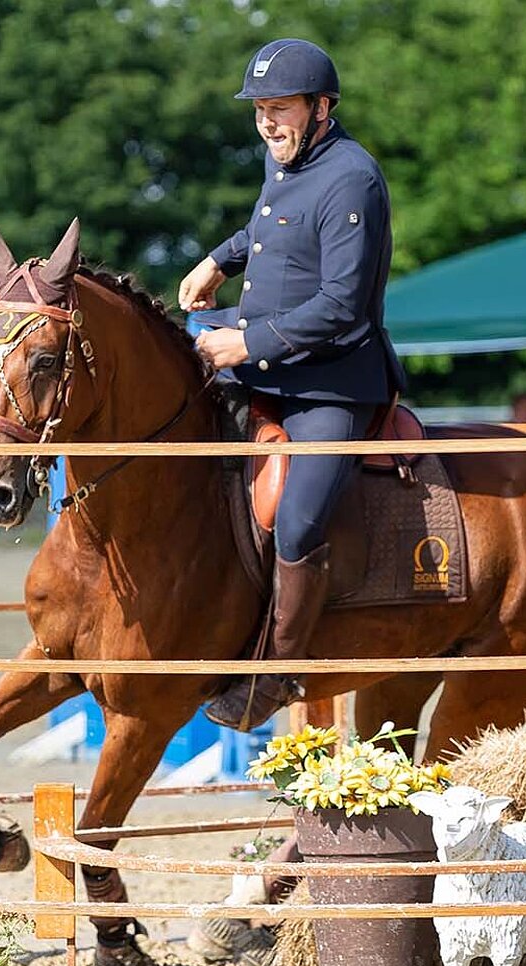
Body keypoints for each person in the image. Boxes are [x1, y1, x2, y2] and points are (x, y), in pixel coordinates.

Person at [178, 37, 403, 730]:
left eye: (279, 109)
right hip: (268, 354)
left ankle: (276, 672)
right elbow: (269, 231)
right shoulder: (287, 161)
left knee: (297, 521)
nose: (267, 122)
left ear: (321, 106)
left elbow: (340, 304)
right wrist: (220, 262)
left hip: (331, 383)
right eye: (259, 111)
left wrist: (243, 341)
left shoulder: (352, 178)